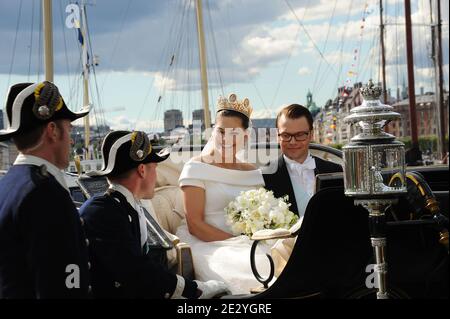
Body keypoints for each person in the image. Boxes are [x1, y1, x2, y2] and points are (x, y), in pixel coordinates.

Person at [79, 130, 229, 299]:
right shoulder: (103, 211)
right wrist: (195, 289)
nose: (156, 175)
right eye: (155, 168)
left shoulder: (120, 206)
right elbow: (137, 271)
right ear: (142, 170)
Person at [0, 81, 91, 298]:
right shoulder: (44, 194)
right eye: (69, 129)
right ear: (52, 131)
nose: (71, 140)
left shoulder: (8, 184)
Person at [175, 94, 273, 295]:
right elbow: (194, 224)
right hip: (206, 243)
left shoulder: (250, 171)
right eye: (221, 131)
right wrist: (237, 241)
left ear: (245, 136)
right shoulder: (196, 168)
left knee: (285, 253)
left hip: (248, 240)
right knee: (257, 265)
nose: (226, 139)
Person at [263, 104, 342, 218]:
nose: (293, 142)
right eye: (286, 135)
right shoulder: (265, 175)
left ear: (311, 135)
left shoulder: (335, 171)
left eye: (300, 135)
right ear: (277, 136)